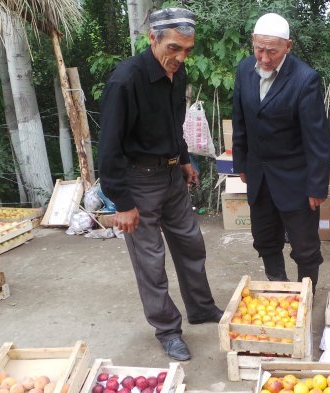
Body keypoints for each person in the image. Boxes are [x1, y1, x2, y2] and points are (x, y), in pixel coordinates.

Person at [98, 8, 223, 361]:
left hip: (170, 176)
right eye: (174, 48)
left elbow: (173, 124)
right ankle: (168, 330)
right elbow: (108, 148)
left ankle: (201, 308)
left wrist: (183, 160)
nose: (180, 57)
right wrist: (122, 203)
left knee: (191, 243)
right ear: (153, 39)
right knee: (150, 261)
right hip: (138, 182)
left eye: (187, 50)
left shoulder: (177, 74)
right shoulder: (125, 81)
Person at [232, 13, 330, 292]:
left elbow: (317, 138)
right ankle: (278, 285)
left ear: (288, 47)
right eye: (259, 49)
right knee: (264, 238)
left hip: (296, 178)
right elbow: (240, 120)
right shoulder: (244, 70)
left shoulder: (305, 79)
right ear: (253, 43)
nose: (264, 58)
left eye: (272, 52)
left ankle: (305, 294)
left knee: (304, 245)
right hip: (258, 174)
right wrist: (241, 162)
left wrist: (317, 185)